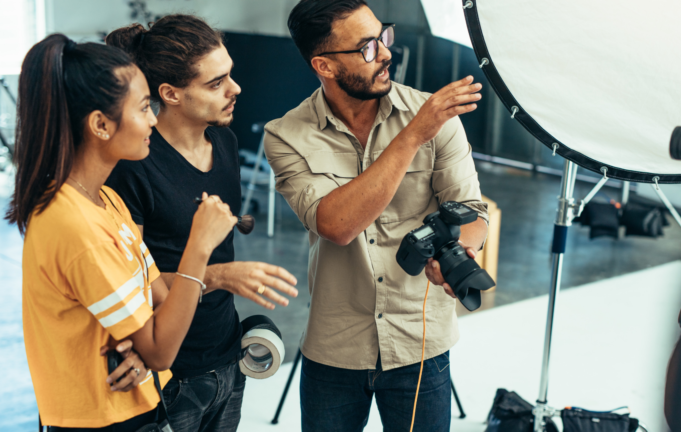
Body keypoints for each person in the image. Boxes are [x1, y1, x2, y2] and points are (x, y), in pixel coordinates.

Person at [265, 1, 489, 430]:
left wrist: (463, 249)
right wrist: (411, 137)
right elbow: (337, 225)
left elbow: (473, 212)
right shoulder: (286, 134)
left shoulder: (435, 118)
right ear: (324, 65)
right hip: (335, 346)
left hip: (419, 343)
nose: (386, 53)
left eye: (383, 36)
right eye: (367, 48)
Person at [6, 34, 237, 431]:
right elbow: (162, 349)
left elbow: (161, 301)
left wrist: (143, 343)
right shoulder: (74, 226)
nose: (152, 118)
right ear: (100, 124)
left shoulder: (106, 201)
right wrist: (200, 244)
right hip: (103, 420)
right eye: (145, 107)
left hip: (142, 406)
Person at [105, 15, 298, 432]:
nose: (235, 90)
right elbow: (134, 285)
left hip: (227, 357)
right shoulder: (134, 167)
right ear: (170, 94)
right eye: (216, 83)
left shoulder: (224, 142)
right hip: (166, 371)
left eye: (230, 75)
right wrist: (222, 275)